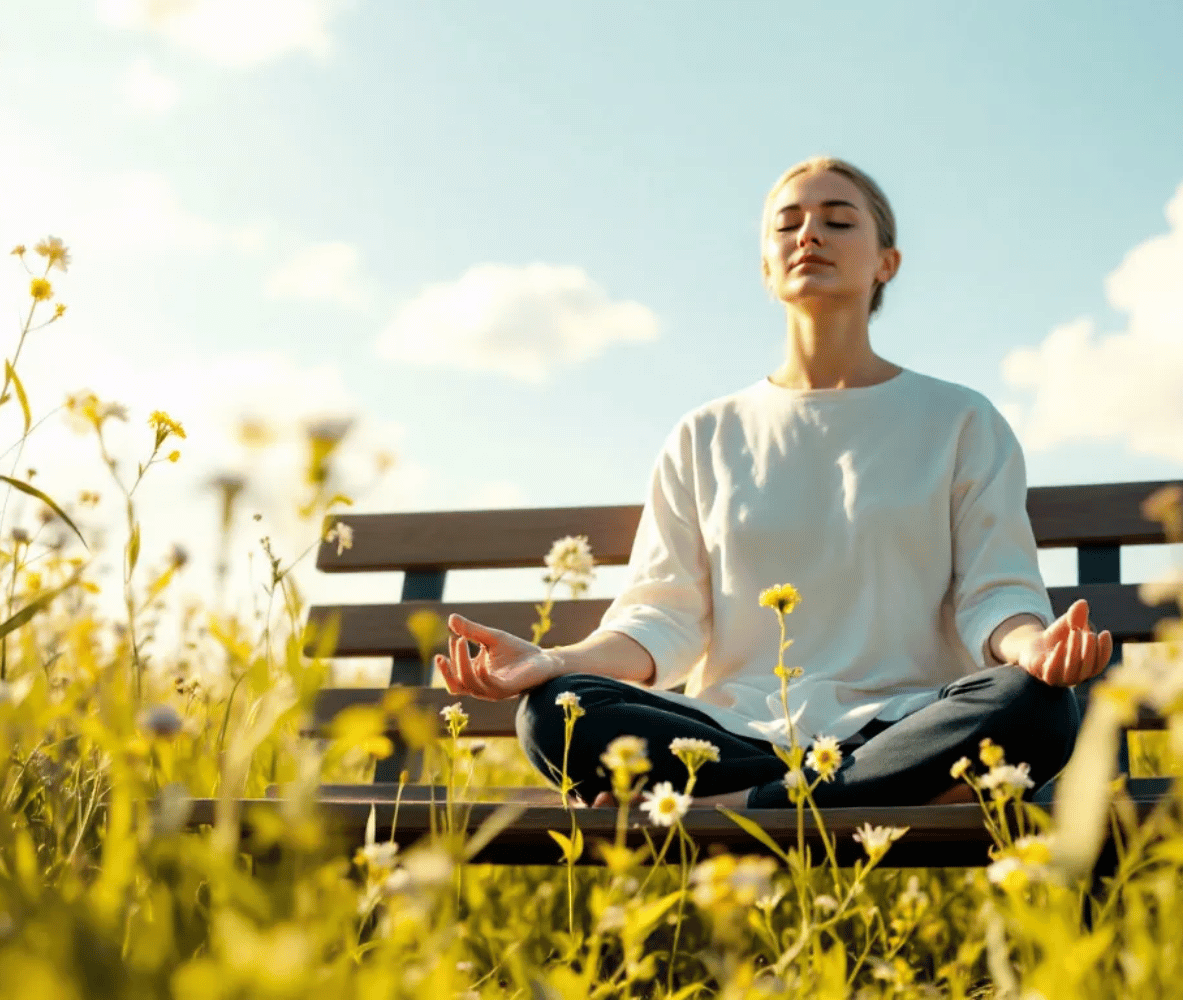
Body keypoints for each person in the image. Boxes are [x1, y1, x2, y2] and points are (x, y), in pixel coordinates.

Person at [435, 156, 1113, 810]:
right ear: (766, 266)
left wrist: (1037, 650)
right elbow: (660, 619)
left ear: (887, 262)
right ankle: (836, 793)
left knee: (1037, 707)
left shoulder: (962, 421)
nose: (810, 234)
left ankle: (735, 807)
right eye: (788, 223)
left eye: (839, 220)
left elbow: (995, 593)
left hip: (905, 723)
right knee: (557, 713)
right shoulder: (705, 434)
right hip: (731, 734)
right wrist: (551, 660)